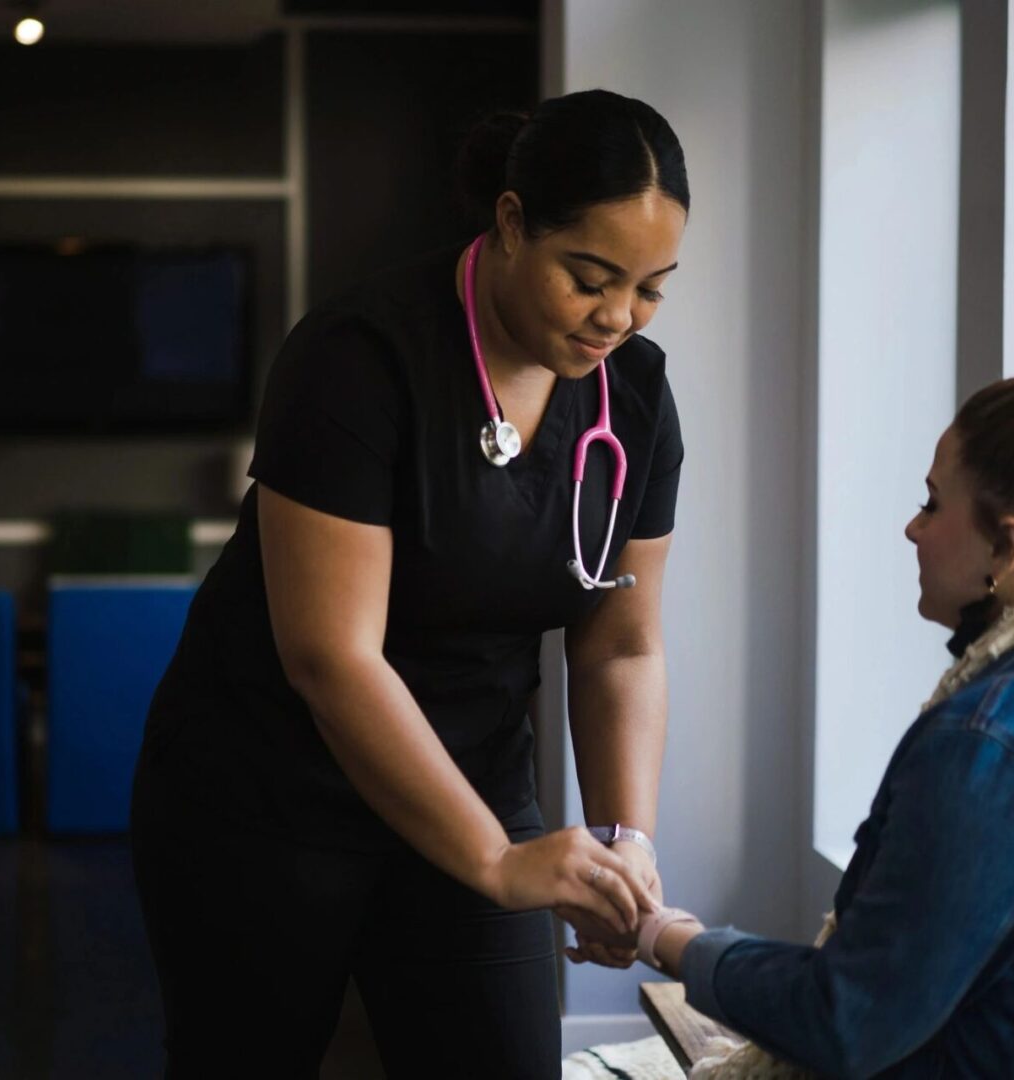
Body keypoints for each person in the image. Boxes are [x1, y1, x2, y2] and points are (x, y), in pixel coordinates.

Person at [130, 88, 689, 1078]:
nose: (618, 317)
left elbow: (620, 644)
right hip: (266, 796)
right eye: (590, 276)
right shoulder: (359, 358)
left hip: (472, 772)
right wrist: (498, 861)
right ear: (512, 223)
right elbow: (331, 657)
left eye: (650, 287)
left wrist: (621, 840)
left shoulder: (633, 397)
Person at [614, 329, 1014, 1077]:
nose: (912, 529)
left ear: (1005, 549)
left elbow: (846, 1021)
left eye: (932, 503)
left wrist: (670, 939)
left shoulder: (1001, 741)